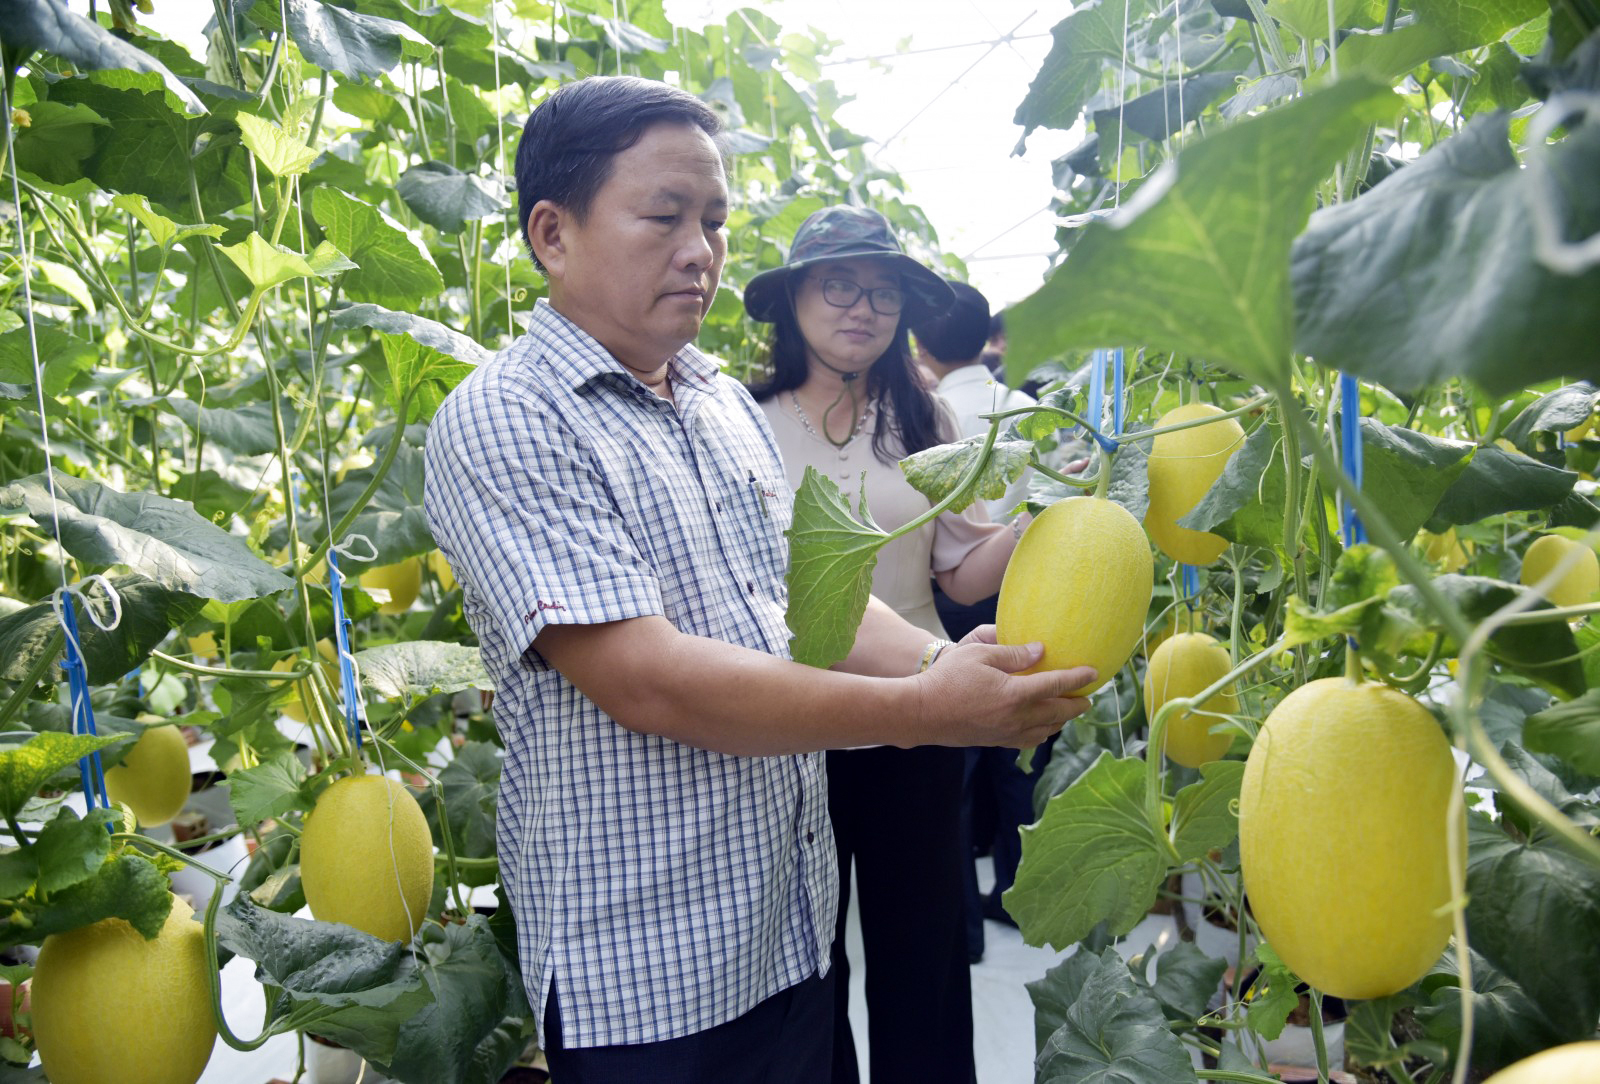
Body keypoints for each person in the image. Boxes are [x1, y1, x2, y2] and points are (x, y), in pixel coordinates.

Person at [422, 76, 1097, 1084]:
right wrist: (926, 706)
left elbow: (801, 592)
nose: (700, 248)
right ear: (552, 235)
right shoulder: (506, 416)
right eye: (664, 216)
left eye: (715, 220)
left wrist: (948, 663)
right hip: (647, 972)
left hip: (785, 933)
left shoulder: (717, 404)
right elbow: (644, 677)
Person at [744, 207, 1030, 1084]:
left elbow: (962, 571)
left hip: (922, 720)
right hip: (795, 726)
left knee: (925, 958)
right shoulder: (742, 421)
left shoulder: (924, 418)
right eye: (839, 285)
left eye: (882, 292)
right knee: (805, 963)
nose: (861, 307)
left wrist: (1044, 518)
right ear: (793, 298)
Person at [910, 282, 1052, 961]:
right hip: (1027, 586)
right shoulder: (1022, 407)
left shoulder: (930, 415)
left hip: (948, 604)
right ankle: (1020, 889)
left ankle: (962, 915)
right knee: (1022, 750)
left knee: (956, 768)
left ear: (922, 345)